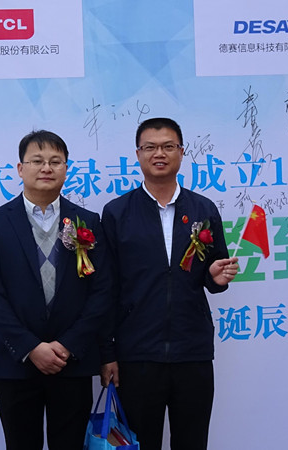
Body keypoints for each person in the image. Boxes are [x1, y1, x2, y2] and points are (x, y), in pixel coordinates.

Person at [99, 117, 239, 450]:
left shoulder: (203, 209)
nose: (159, 154)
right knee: (139, 443)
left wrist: (216, 278)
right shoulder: (117, 213)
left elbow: (214, 273)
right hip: (137, 354)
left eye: (167, 146)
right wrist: (107, 353)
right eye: (150, 147)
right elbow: (106, 288)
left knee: (192, 442)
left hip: (192, 351)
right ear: (138, 154)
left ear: (181, 152)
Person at [0, 130, 111, 450]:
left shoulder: (88, 221)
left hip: (72, 362)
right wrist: (31, 347)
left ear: (66, 168)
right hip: (16, 364)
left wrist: (68, 344)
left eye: (55, 161)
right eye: (37, 161)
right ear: (20, 168)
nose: (46, 168)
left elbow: (102, 291)